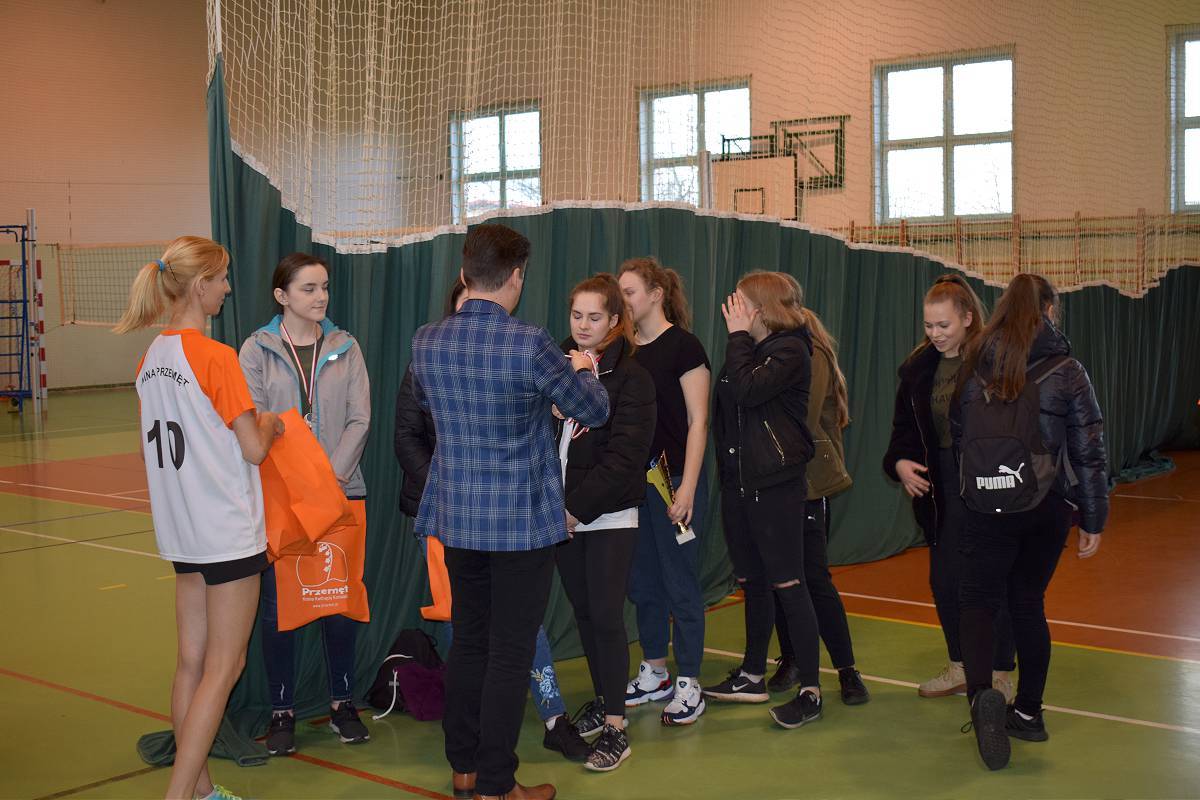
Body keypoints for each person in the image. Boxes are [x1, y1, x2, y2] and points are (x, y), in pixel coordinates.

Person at [410, 224, 609, 800]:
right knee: (510, 650)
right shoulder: (530, 343)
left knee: (471, 640)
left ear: (465, 272)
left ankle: (465, 769)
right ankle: (497, 784)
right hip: (520, 521)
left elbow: (429, 405)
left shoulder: (427, 340)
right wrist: (584, 370)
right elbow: (593, 410)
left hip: (458, 517)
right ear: (516, 277)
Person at [116, 236, 283, 800]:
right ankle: (178, 795)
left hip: (182, 531)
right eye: (222, 278)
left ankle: (201, 791)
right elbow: (253, 449)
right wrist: (272, 423)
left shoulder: (150, 360)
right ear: (200, 285)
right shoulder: (215, 357)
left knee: (191, 663)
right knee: (224, 666)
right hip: (226, 530)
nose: (228, 288)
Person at [954, 273, 1107, 770]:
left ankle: (982, 698)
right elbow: (1088, 448)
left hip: (985, 503)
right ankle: (1028, 713)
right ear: (1050, 311)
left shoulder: (975, 361)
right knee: (1026, 603)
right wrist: (1093, 517)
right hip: (1046, 505)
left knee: (978, 603)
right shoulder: (1068, 369)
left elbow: (958, 433)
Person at [238, 253, 371, 755]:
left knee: (338, 601)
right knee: (280, 609)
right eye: (309, 288)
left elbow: (360, 419)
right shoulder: (257, 349)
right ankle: (282, 711)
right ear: (282, 296)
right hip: (283, 500)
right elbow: (253, 420)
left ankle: (342, 704)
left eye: (324, 287)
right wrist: (301, 485)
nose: (321, 297)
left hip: (340, 493)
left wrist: (329, 480)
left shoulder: (345, 347)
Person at [882, 274, 1016, 701]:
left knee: (990, 579)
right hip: (940, 490)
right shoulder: (918, 369)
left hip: (988, 483)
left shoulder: (994, 362)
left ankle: (999, 670)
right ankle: (960, 664)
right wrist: (900, 462)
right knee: (945, 581)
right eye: (929, 325)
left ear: (968, 318)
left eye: (944, 325)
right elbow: (903, 430)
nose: (935, 334)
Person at [704, 272, 824, 730]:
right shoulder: (749, 352)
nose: (732, 309)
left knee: (789, 585)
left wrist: (737, 338)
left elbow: (749, 390)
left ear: (760, 309)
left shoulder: (791, 349)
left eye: (741, 302)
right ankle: (752, 674)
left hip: (775, 486)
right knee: (752, 582)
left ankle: (811, 690)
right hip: (740, 486)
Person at [554, 274, 656, 771]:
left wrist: (575, 510)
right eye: (577, 315)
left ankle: (617, 726)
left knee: (607, 615)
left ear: (615, 320)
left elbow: (624, 459)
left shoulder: (633, 378)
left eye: (595, 317)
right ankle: (603, 697)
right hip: (561, 516)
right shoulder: (558, 364)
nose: (583, 325)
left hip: (607, 516)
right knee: (585, 615)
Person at [617, 257, 711, 726]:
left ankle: (690, 679)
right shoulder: (624, 350)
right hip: (634, 488)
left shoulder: (684, 347)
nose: (622, 301)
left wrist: (688, 487)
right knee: (643, 582)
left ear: (656, 294)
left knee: (680, 582)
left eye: (629, 292)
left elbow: (698, 421)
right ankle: (655, 671)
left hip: (674, 484)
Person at [765, 307, 869, 705]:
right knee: (781, 579)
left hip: (808, 486)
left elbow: (800, 419)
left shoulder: (815, 357)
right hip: (776, 484)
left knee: (814, 579)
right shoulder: (773, 357)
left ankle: (847, 670)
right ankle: (792, 659)